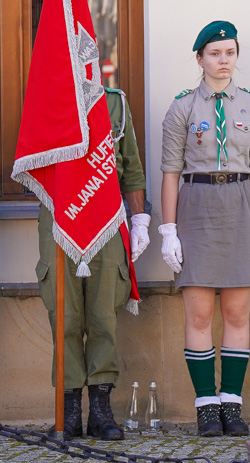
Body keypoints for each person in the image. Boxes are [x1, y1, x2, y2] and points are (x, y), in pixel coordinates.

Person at [158, 21, 250, 437]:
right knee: (201, 310)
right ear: (200, 58)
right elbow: (171, 172)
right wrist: (168, 229)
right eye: (215, 53)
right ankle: (206, 404)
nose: (223, 61)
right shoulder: (183, 107)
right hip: (197, 204)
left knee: (237, 311)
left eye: (229, 53)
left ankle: (232, 403)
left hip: (240, 203)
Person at [35, 86, 150, 441]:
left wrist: (140, 218)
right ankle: (68, 409)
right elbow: (31, 164)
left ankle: (100, 410)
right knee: (64, 315)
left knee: (103, 315)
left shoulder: (114, 102)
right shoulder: (46, 100)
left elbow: (129, 164)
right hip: (59, 217)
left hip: (107, 216)